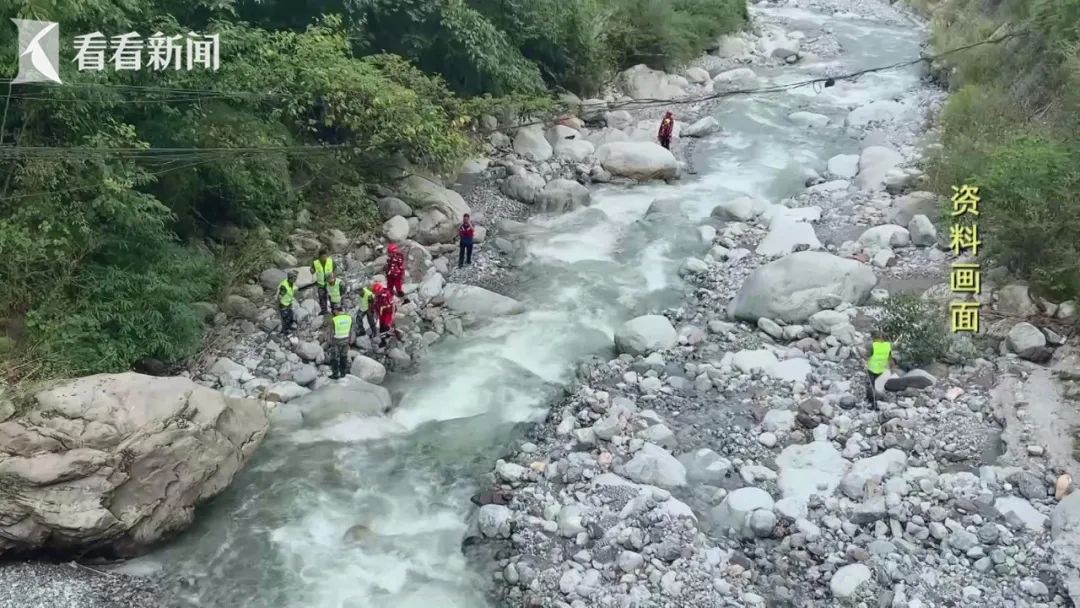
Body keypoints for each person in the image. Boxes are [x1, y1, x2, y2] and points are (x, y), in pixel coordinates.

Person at [865, 330, 895, 404]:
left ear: (873, 338)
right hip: (882, 369)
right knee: (880, 385)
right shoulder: (888, 345)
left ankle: (872, 402)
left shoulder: (873, 345)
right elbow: (890, 358)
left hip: (872, 369)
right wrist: (892, 368)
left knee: (872, 386)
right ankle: (880, 400)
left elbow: (867, 356)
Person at [328, 305, 355, 379]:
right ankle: (343, 373)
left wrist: (330, 342)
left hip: (337, 341)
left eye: (334, 310)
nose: (333, 312)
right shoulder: (349, 318)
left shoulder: (334, 320)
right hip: (346, 340)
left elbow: (331, 333)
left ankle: (335, 374)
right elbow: (351, 330)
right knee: (344, 356)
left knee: (334, 357)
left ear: (337, 311)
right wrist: (351, 340)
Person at [375, 281, 402, 348]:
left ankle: (396, 333)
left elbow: (392, 305)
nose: (375, 294)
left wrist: (392, 315)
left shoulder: (386, 294)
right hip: (381, 312)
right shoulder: (377, 296)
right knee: (381, 328)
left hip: (388, 312)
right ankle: (383, 341)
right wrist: (376, 314)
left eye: (376, 292)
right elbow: (376, 305)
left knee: (387, 326)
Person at [312, 249, 335, 315]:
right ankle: (324, 311)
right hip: (321, 284)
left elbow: (335, 269)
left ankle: (334, 310)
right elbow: (312, 270)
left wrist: (334, 279)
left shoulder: (330, 261)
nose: (324, 258)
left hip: (330, 283)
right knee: (322, 298)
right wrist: (311, 270)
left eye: (325, 256)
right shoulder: (315, 263)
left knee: (332, 297)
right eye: (323, 257)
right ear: (319, 257)